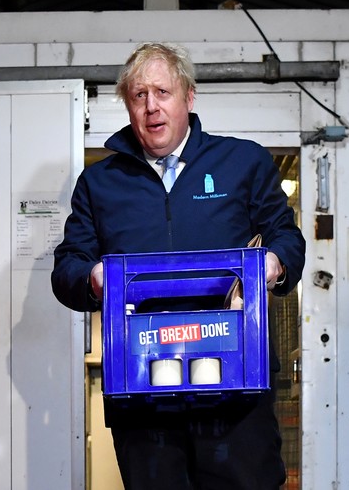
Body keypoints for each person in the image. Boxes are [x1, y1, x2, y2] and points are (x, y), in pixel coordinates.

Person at [51, 42, 305, 489]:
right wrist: (92, 279)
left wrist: (273, 264)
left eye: (163, 93)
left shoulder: (241, 162)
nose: (152, 107)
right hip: (142, 390)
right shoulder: (99, 184)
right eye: (139, 96)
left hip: (236, 386)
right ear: (128, 105)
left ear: (189, 96)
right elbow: (68, 266)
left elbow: (288, 236)